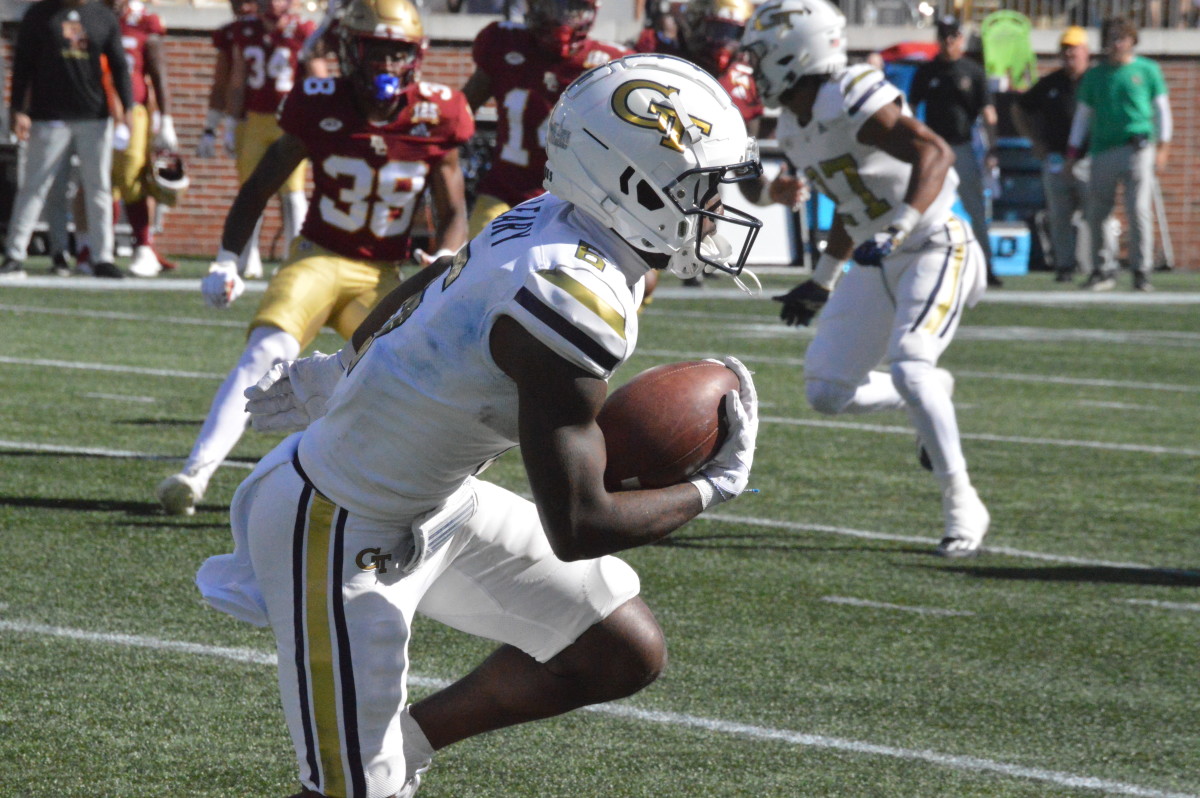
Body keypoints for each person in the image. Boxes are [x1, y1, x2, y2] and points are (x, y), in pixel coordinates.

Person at [195, 52, 761, 798]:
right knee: (345, 794)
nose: (717, 208)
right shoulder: (570, 301)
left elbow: (441, 272)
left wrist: (340, 370)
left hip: (438, 500)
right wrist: (713, 489)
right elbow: (580, 523)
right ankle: (371, 771)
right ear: (632, 185)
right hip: (340, 525)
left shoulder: (556, 212)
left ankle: (407, 743)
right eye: (698, 188)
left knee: (619, 648)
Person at [156, 0, 472, 516]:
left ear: (416, 57)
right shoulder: (318, 100)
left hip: (383, 275)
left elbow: (453, 206)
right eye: (377, 52)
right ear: (351, 51)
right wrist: (227, 259)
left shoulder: (440, 114)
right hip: (318, 256)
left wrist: (445, 252)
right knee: (265, 351)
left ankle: (403, 500)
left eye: (399, 54)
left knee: (411, 380)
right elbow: (260, 186)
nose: (388, 66)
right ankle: (195, 474)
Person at [742, 0, 990, 557]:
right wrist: (823, 278)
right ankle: (922, 400)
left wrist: (901, 224)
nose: (755, 69)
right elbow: (852, 205)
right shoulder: (794, 122)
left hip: (935, 240)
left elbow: (936, 150)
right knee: (828, 390)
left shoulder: (848, 91)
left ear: (795, 50)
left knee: (911, 361)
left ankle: (961, 500)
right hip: (879, 256)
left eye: (761, 56)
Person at [461, 0, 628, 239]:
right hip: (504, 193)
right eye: (550, 6)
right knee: (477, 258)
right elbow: (461, 111)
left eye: (569, 8)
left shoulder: (611, 64)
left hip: (575, 202)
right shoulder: (503, 42)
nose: (559, 18)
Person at [0, 0, 132, 280]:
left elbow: (119, 63)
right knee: (34, 185)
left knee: (98, 188)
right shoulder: (39, 14)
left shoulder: (102, 16)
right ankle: (14, 253)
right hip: (49, 115)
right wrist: (18, 109)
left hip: (94, 115)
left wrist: (127, 108)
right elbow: (23, 63)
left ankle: (102, 256)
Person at [1066, 17, 1171, 293]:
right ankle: (1102, 269)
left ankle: (1141, 270)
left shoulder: (1147, 70)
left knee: (1138, 210)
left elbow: (1162, 111)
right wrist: (1073, 152)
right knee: (1098, 212)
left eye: (1121, 38)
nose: (1116, 44)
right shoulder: (1096, 75)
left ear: (1132, 40)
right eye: (1111, 38)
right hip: (1103, 149)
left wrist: (1163, 147)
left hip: (1137, 148)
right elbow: (1083, 116)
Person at [224, 0, 323, 278]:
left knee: (292, 192)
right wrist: (231, 121)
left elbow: (319, 78)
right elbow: (237, 78)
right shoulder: (245, 30)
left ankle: (295, 256)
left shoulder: (304, 30)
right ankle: (246, 256)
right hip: (255, 120)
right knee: (250, 188)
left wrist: (316, 123)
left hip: (289, 123)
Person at [1012, 26, 1116, 283]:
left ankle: (1102, 266)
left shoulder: (1096, 81)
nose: (1069, 54)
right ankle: (1064, 266)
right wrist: (1034, 141)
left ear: (1086, 52)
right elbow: (1020, 108)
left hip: (1089, 158)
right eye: (1065, 49)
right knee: (1059, 217)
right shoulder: (1051, 83)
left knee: (1097, 215)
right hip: (1057, 159)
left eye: (1074, 48)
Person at [908, 15, 1003, 288]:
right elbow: (912, 111)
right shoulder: (927, 71)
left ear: (960, 38)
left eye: (952, 36)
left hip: (963, 146)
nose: (948, 41)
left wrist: (992, 148)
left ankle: (986, 265)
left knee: (975, 207)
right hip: (935, 149)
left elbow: (988, 113)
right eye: (943, 36)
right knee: (925, 206)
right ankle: (920, 264)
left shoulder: (972, 71)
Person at [101, 0, 178, 277]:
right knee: (99, 181)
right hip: (95, 111)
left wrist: (165, 120)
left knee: (132, 175)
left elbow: (157, 71)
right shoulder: (91, 16)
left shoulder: (144, 22)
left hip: (134, 111)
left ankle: (144, 245)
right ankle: (97, 247)